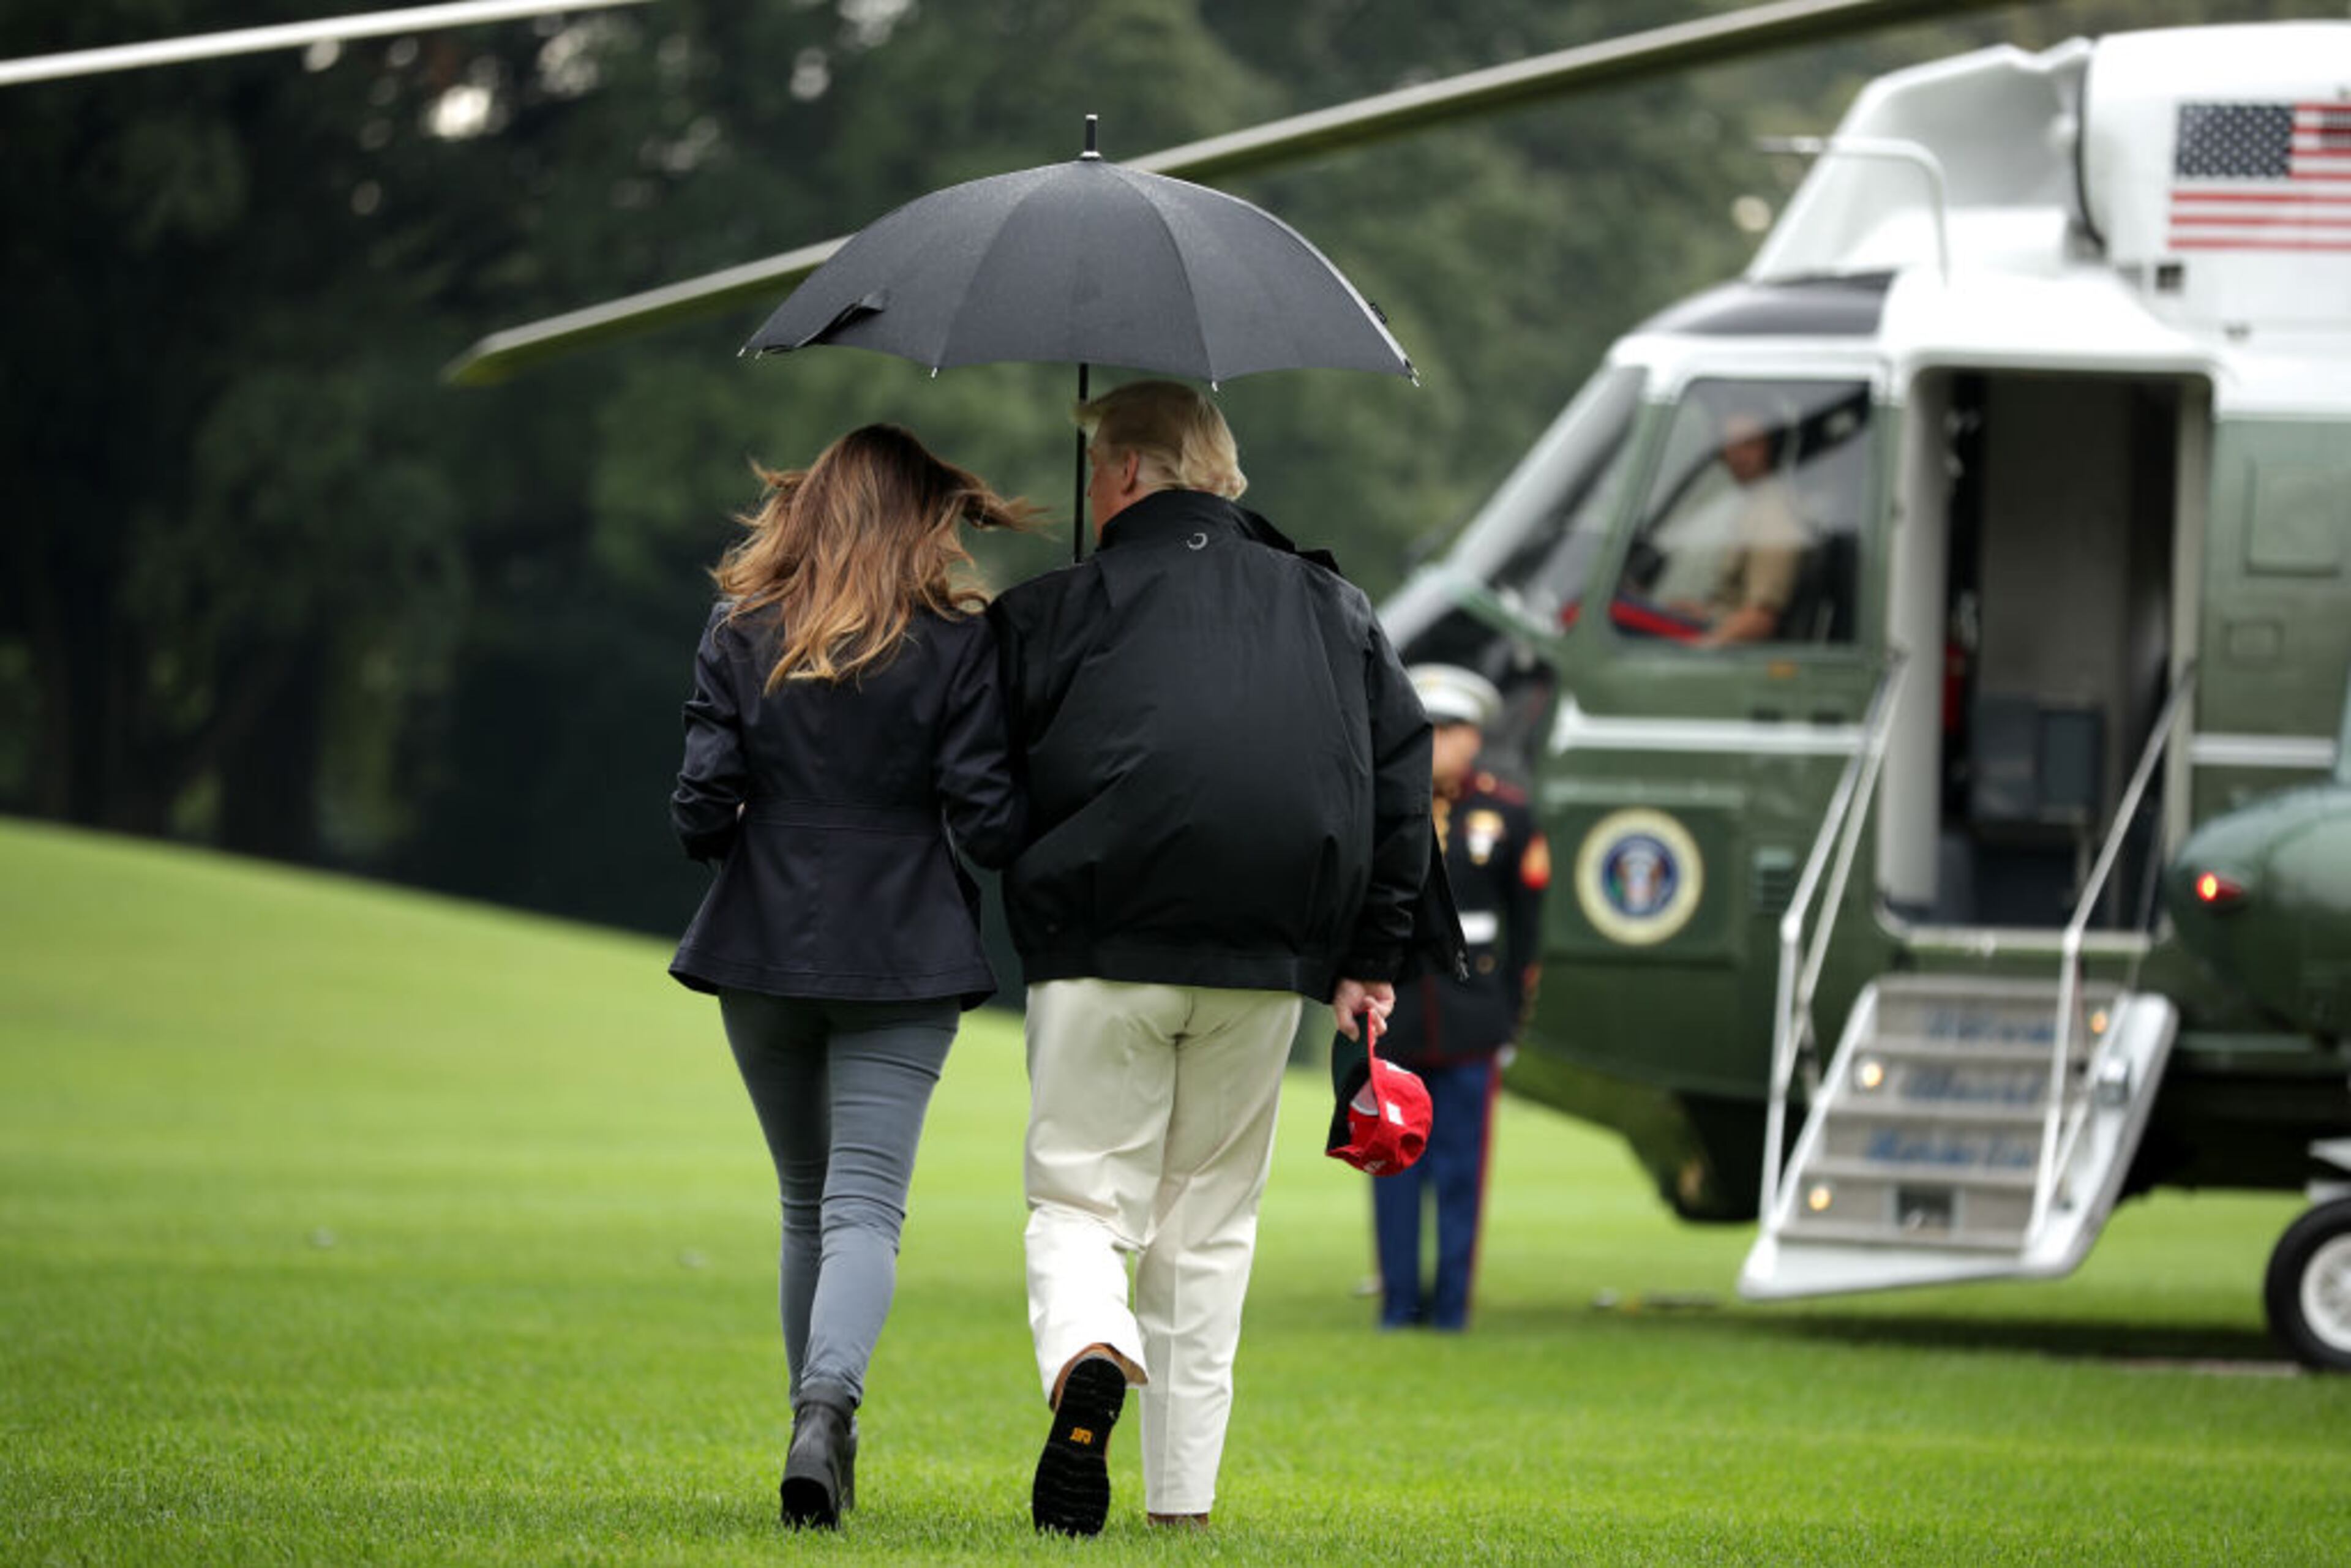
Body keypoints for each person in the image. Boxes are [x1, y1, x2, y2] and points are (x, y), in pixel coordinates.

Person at [988, 379, 1438, 1535]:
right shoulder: (1337, 607)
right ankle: (1180, 1502)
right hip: (1267, 966)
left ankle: (1091, 1342)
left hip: (1099, 948)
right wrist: (1370, 953)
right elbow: (1400, 787)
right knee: (1210, 1226)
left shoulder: (1049, 609)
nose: (1093, 486)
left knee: (1083, 1195)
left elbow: (981, 780)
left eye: (1098, 466)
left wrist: (1024, 869)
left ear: (1131, 473)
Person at [667, 424, 1036, 1530]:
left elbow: (697, 808)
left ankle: (814, 1425)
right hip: (905, 951)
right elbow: (987, 824)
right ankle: (828, 1410)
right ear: (923, 520)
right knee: (865, 1204)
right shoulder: (959, 642)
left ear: (813, 506)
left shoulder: (739, 628)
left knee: (803, 1200)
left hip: (762, 945)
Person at [1370, 665, 1548, 1332]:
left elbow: (1526, 929)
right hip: (1398, 1016)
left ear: (1475, 736)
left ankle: (1451, 1307)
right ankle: (1398, 1305)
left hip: (1472, 1018)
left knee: (1460, 1172)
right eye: (1435, 728)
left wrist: (1510, 1017)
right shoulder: (1383, 807)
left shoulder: (1506, 812)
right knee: (1393, 1169)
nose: (1447, 742)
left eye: (1457, 728)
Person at [1688, 411, 1809, 645]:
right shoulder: (1751, 505)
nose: (1737, 455)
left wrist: (1698, 649)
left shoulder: (1774, 516)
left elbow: (1761, 619)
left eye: (1750, 444)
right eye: (1730, 445)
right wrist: (1705, 613)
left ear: (1772, 449)